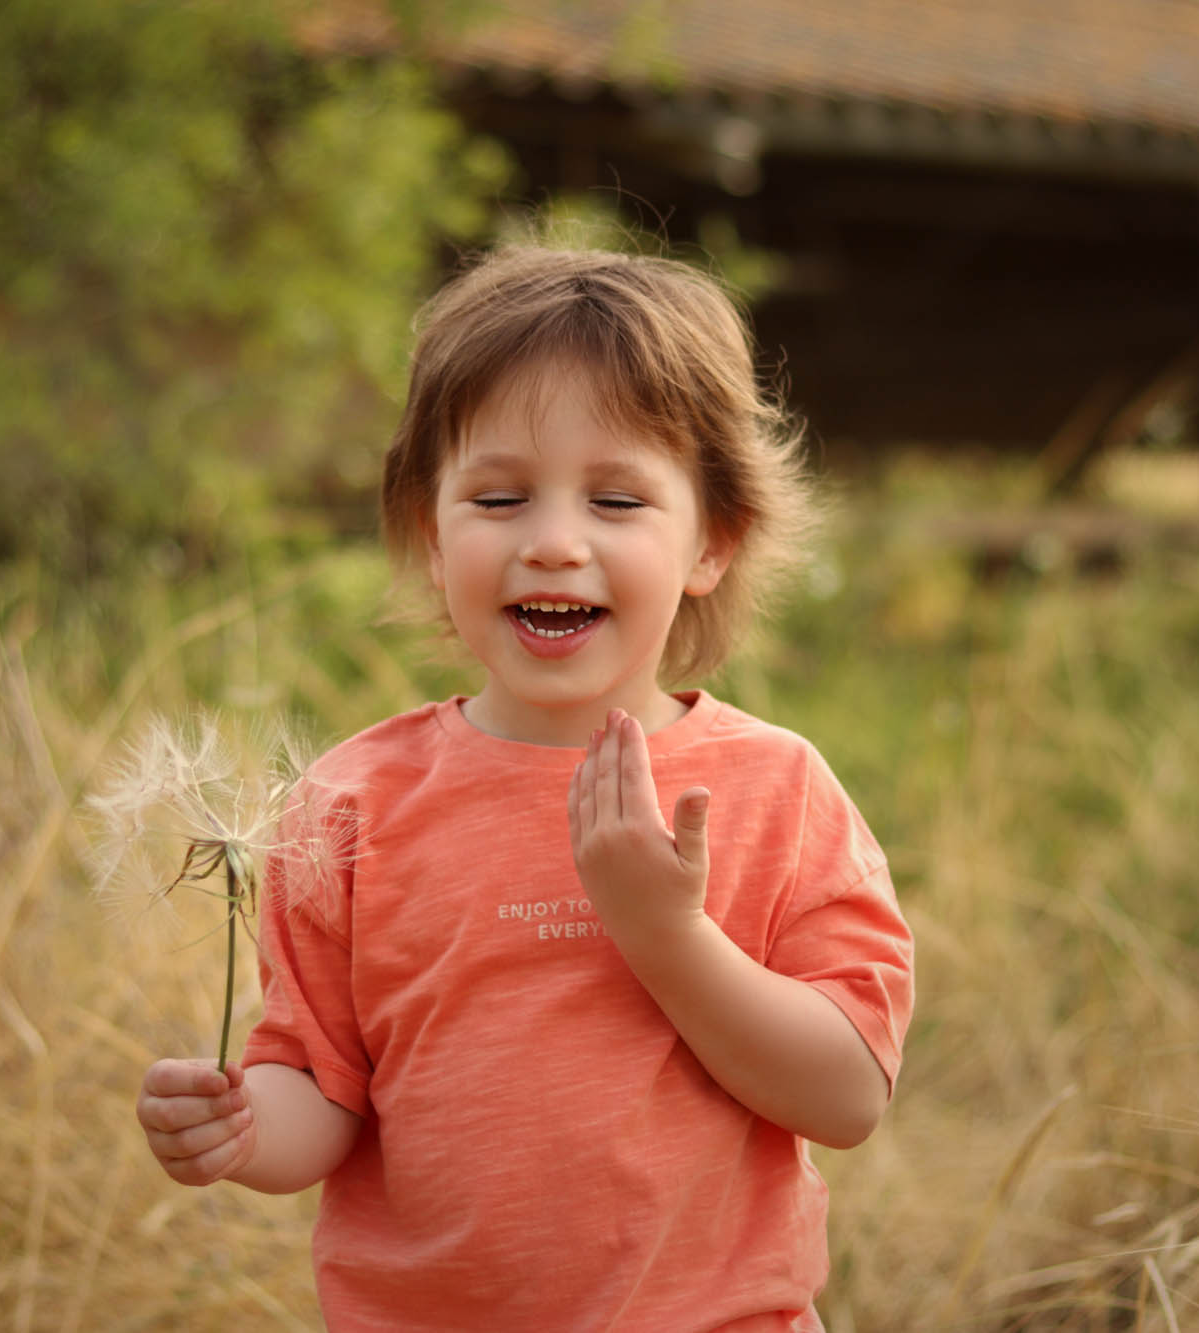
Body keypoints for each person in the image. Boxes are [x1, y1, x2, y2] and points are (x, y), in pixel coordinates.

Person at [136, 245, 914, 1331]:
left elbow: (845, 1094)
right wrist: (236, 1131)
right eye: (497, 497)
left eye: (615, 500)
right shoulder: (351, 803)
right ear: (426, 529)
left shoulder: (773, 791)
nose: (553, 544)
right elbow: (320, 1094)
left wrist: (666, 936)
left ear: (712, 539)